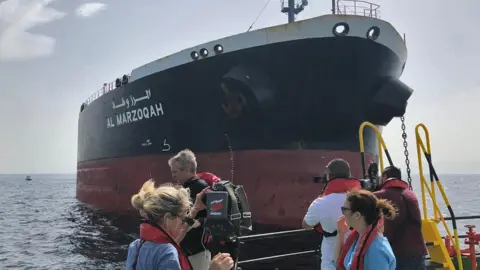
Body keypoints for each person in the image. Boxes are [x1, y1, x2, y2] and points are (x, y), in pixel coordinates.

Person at [125, 179, 234, 270]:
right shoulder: (167, 253)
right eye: (182, 217)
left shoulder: (136, 246)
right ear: (168, 218)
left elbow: (172, 240)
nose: (183, 222)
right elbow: (169, 246)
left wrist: (194, 210)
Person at [302, 158, 362, 270]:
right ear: (349, 174)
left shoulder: (320, 202)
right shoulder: (363, 199)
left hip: (330, 258)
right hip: (358, 253)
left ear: (329, 176)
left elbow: (306, 224)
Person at [374, 166, 427, 269]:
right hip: (418, 251)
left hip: (396, 252)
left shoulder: (378, 196)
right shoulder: (411, 194)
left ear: (385, 177)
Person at [168, 149, 212, 269]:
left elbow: (217, 214)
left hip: (197, 252)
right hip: (185, 250)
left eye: (175, 171)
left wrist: (201, 222)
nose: (173, 175)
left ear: (187, 170)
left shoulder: (201, 188)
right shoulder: (186, 188)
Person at [334, 189, 397, 270]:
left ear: (357, 215)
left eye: (344, 209)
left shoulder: (376, 251)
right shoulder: (358, 238)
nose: (342, 213)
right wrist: (341, 233)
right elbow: (339, 262)